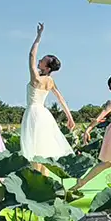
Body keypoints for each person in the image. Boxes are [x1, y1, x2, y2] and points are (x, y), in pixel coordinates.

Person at [19, 23, 76, 176]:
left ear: (47, 67)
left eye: (43, 60)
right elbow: (61, 99)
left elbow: (31, 56)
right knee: (42, 153)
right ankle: (45, 183)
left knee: (34, 153)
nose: (39, 60)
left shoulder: (36, 78)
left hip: (33, 114)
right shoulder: (49, 81)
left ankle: (38, 181)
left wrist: (38, 36)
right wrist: (70, 117)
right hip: (44, 115)